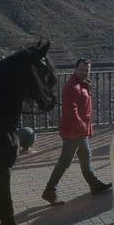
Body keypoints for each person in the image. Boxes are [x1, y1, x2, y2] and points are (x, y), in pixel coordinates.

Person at [44, 59, 110, 204]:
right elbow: (71, 110)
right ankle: (49, 190)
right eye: (82, 69)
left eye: (87, 70)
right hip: (73, 132)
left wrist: (85, 128)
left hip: (80, 131)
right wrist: (81, 126)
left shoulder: (82, 84)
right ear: (75, 69)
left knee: (86, 158)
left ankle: (95, 186)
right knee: (64, 162)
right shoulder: (72, 86)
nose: (84, 72)